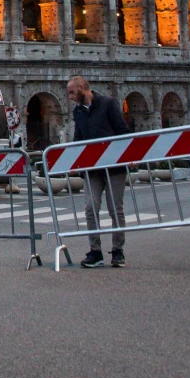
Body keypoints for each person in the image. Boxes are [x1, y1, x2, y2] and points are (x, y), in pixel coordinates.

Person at [66, 75, 130, 268]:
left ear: (81, 88)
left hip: (114, 167)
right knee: (90, 207)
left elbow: (122, 130)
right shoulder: (78, 112)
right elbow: (79, 138)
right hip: (92, 169)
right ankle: (95, 251)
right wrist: (75, 163)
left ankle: (118, 251)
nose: (69, 96)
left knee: (115, 209)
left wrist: (130, 154)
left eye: (71, 92)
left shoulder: (108, 104)